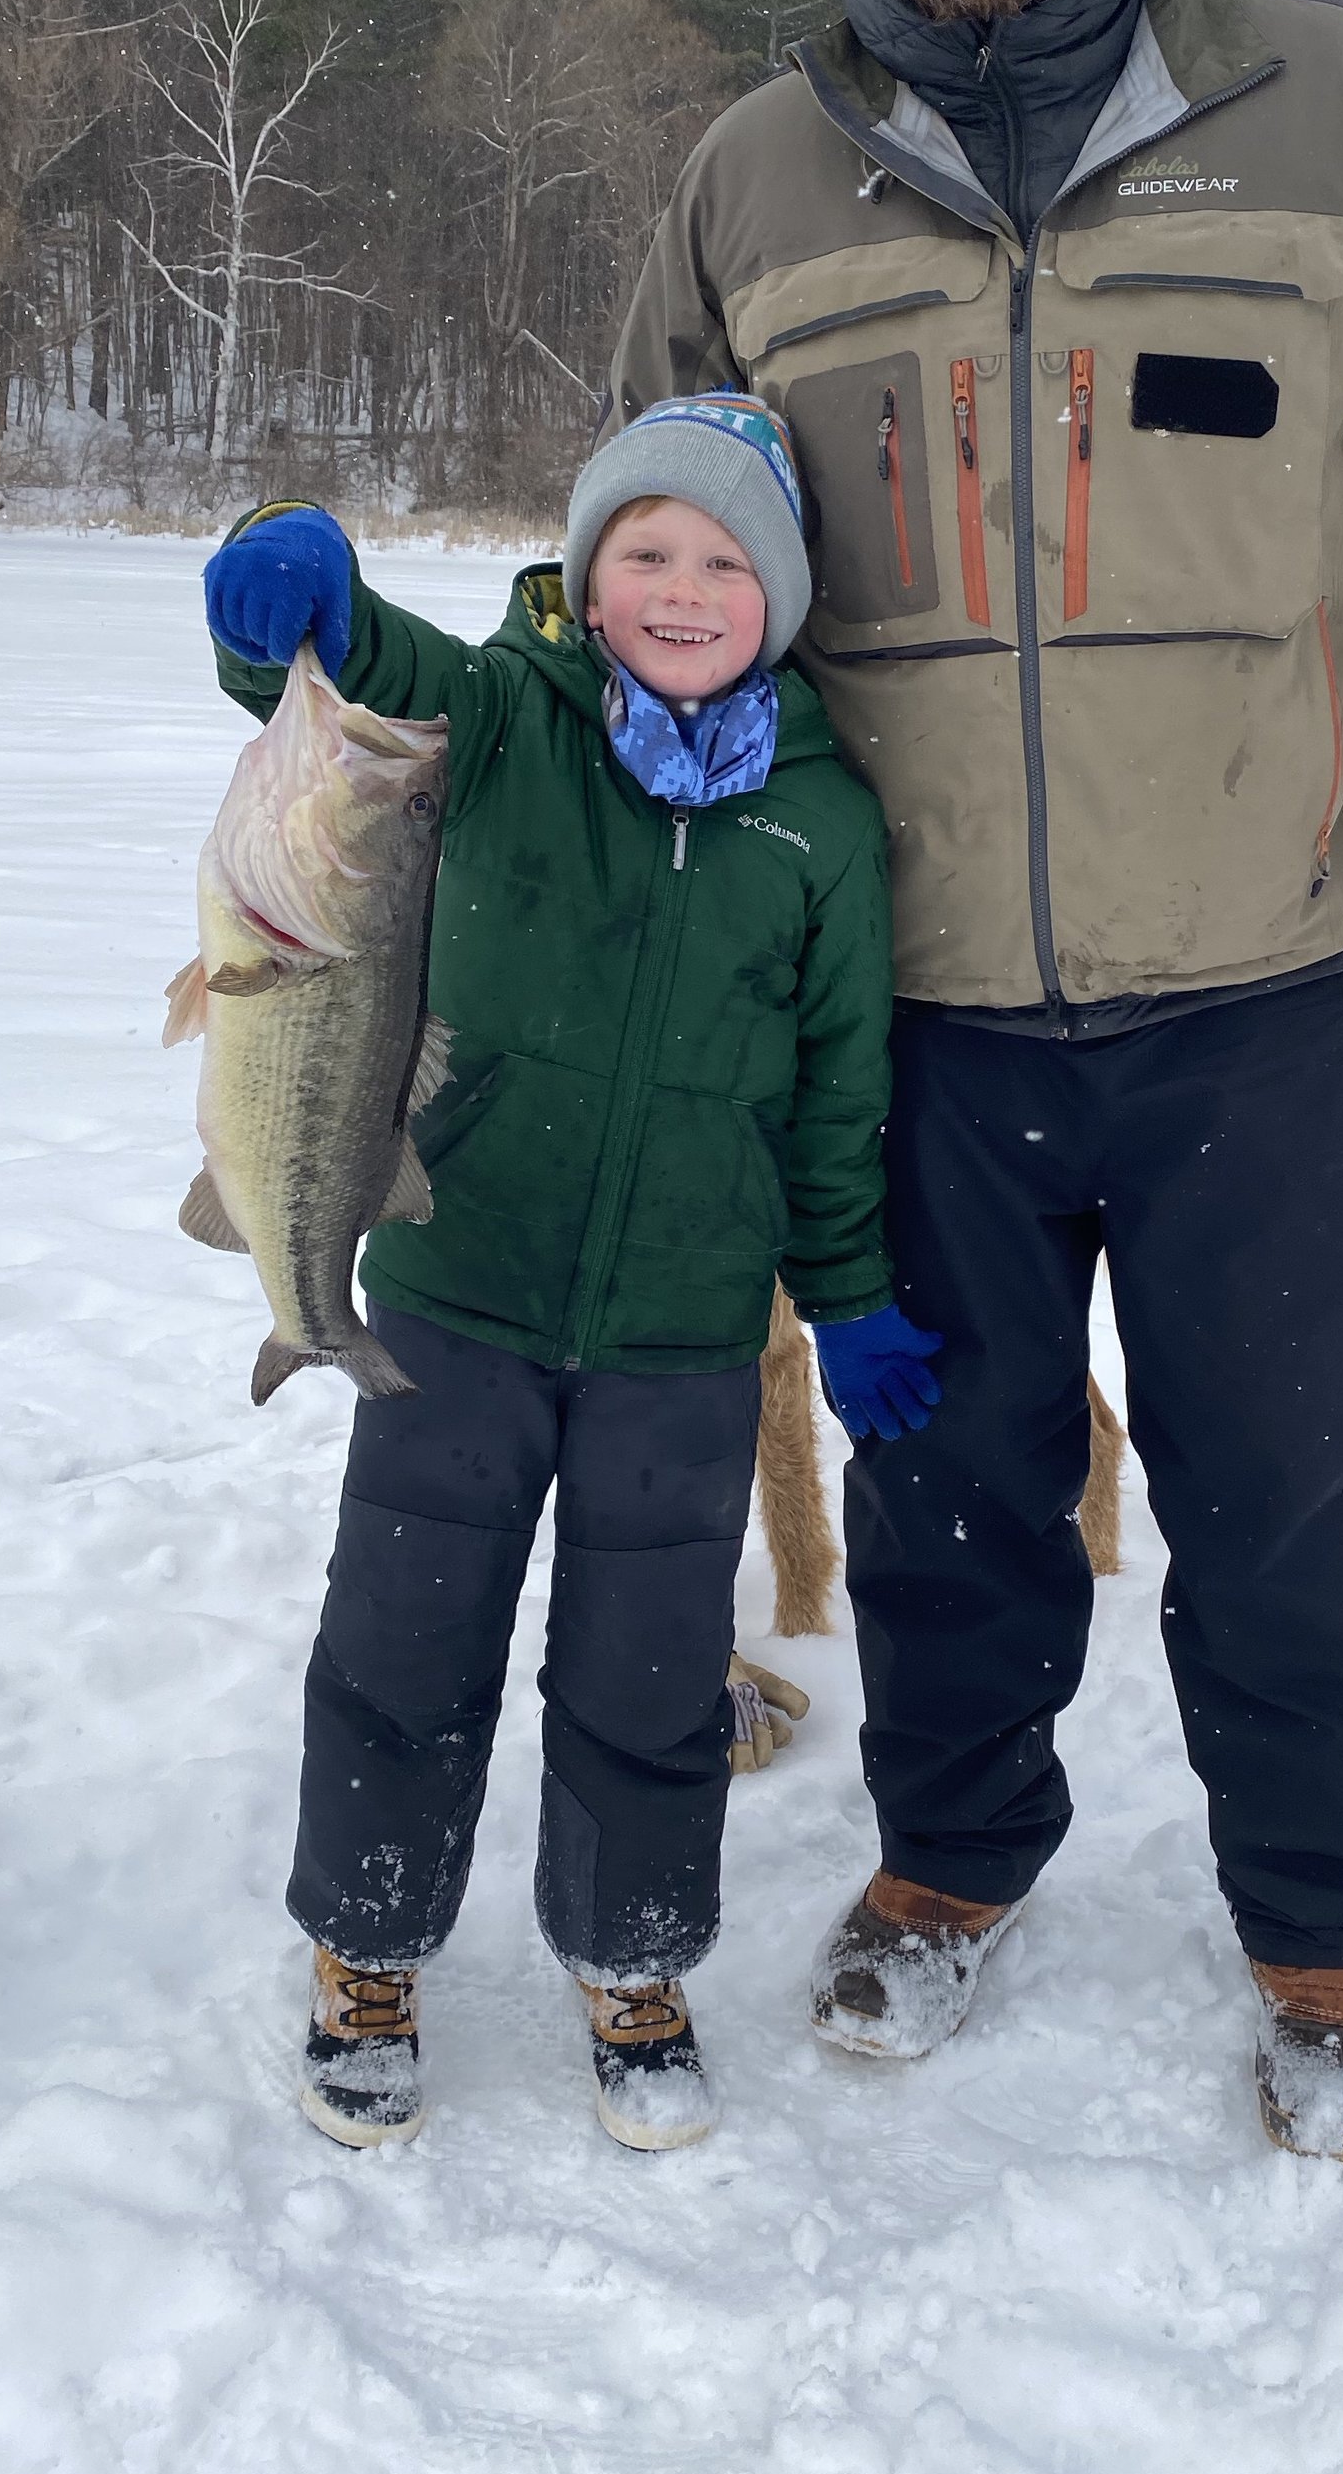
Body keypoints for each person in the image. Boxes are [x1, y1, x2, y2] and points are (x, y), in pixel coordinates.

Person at [609, 0, 1343, 2161]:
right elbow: (647, 574)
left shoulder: (1332, 111)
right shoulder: (752, 182)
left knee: (1285, 1487)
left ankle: (1328, 1933)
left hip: (1252, 993)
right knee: (943, 1489)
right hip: (900, 1015)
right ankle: (951, 1853)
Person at [199, 397, 939, 2154]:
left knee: (650, 1668)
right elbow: (343, 681)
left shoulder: (823, 821)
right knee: (403, 1633)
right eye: (645, 550)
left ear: (783, 592)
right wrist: (285, 572)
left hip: (686, 1336)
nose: (683, 588)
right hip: (459, 1291)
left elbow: (841, 1093)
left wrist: (845, 1289)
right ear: (586, 572)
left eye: (724, 561)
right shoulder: (504, 719)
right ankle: (367, 1946)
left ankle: (634, 1958)